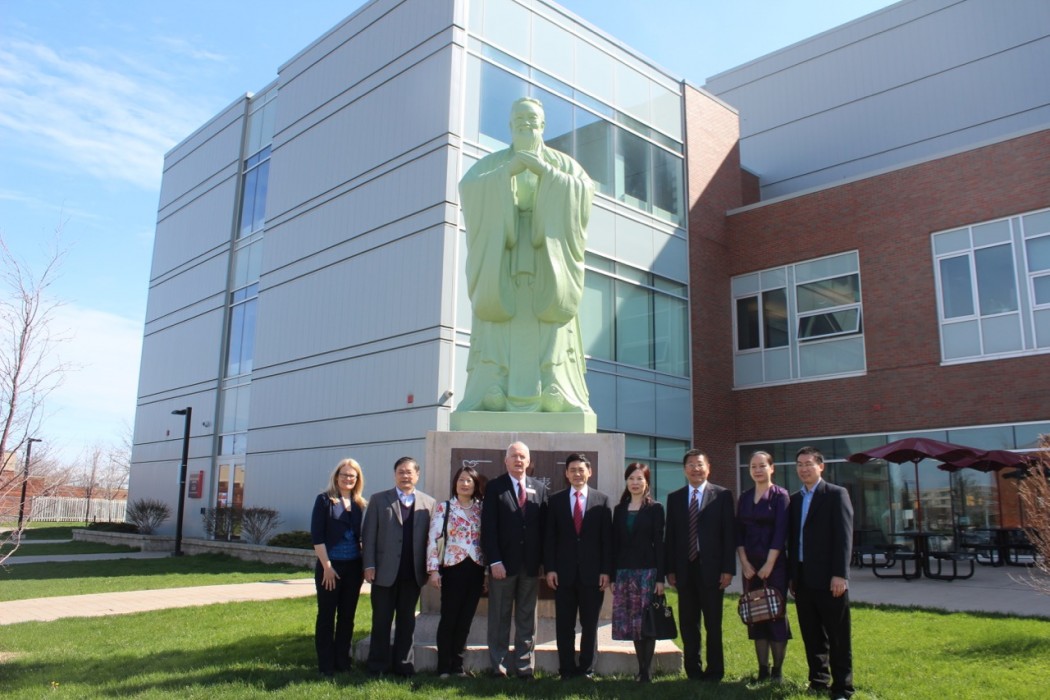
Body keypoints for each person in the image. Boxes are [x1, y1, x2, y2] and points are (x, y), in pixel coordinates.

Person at [456, 97, 595, 415]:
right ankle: (493, 388)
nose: (526, 124)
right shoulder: (491, 165)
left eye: (532, 120)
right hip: (502, 264)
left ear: (543, 125)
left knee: (553, 329)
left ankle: (555, 387)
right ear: (509, 125)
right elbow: (470, 190)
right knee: (497, 328)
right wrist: (507, 173)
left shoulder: (564, 166)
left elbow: (583, 191)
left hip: (549, 261)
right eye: (519, 119)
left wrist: (546, 173)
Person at [664, 448, 736, 682]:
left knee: (713, 624)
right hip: (685, 571)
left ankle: (715, 671)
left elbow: (729, 535)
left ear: (708, 468)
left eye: (700, 464)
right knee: (688, 623)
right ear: (685, 470)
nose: (696, 468)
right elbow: (671, 537)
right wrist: (670, 570)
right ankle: (693, 670)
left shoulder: (722, 495)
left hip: (713, 571)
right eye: (691, 465)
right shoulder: (675, 498)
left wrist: (728, 569)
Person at [789, 446, 854, 700]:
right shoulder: (794, 500)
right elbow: (793, 540)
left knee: (838, 636)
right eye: (800, 464)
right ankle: (818, 680)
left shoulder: (836, 495)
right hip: (803, 578)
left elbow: (844, 537)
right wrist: (794, 575)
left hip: (830, 579)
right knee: (812, 634)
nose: (804, 469)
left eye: (809, 464)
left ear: (820, 466)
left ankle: (842, 688)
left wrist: (840, 574)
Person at [361, 456, 435, 677]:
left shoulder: (428, 503)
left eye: (409, 472)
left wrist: (430, 570)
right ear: (395, 474)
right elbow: (369, 535)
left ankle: (404, 665)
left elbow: (432, 540)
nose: (405, 476)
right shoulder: (378, 500)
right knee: (381, 621)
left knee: (406, 623)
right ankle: (378, 666)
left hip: (412, 574)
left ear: (417, 475)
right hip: (383, 572)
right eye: (401, 472)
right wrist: (369, 565)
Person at [480, 441, 548, 678]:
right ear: (506, 461)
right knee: (499, 617)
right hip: (503, 566)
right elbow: (488, 528)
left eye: (522, 457)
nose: (518, 460)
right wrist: (494, 561)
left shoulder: (539, 488)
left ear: (529, 462)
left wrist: (543, 563)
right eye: (514, 456)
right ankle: (498, 665)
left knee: (527, 618)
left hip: (530, 566)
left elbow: (544, 529)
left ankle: (524, 665)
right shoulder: (494, 487)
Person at [544, 454, 613, 680]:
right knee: (564, 625)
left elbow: (606, 541)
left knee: (590, 624)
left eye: (581, 469)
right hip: (563, 575)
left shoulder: (602, 501)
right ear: (566, 473)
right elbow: (550, 538)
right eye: (572, 470)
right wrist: (550, 569)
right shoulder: (555, 501)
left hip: (593, 575)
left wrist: (606, 571)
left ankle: (586, 669)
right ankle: (566, 669)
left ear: (589, 472)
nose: (577, 473)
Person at [425, 465, 487, 679]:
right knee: (449, 618)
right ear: (455, 483)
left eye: (469, 480)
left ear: (476, 485)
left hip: (476, 568)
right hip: (452, 568)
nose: (465, 483)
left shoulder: (482, 508)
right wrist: (433, 571)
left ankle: (458, 665)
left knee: (465, 619)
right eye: (461, 479)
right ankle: (443, 667)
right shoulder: (445, 508)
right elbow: (434, 539)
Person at [736, 450, 792, 683]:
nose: (757, 470)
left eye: (762, 466)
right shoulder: (745, 497)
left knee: (775, 614)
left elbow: (781, 532)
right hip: (751, 566)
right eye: (753, 467)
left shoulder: (781, 496)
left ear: (772, 468)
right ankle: (762, 669)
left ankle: (777, 671)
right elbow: (738, 532)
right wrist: (745, 563)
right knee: (756, 614)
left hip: (775, 565)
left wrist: (770, 563)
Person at [310, 458, 367, 677]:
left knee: (347, 616)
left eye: (352, 476)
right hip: (329, 568)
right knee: (326, 615)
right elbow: (318, 536)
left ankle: (342, 661)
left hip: (353, 568)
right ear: (336, 477)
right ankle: (326, 664)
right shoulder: (324, 501)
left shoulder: (361, 504)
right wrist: (327, 566)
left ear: (357, 479)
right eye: (344, 475)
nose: (348, 479)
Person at [610, 462, 665, 683]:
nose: (635, 483)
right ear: (626, 481)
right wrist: (613, 575)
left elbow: (660, 544)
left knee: (646, 621)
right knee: (633, 622)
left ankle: (646, 671)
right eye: (631, 478)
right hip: (624, 572)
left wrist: (660, 577)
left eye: (639, 479)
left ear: (647, 482)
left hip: (647, 573)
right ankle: (640, 668)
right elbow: (614, 545)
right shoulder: (619, 510)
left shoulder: (655, 508)